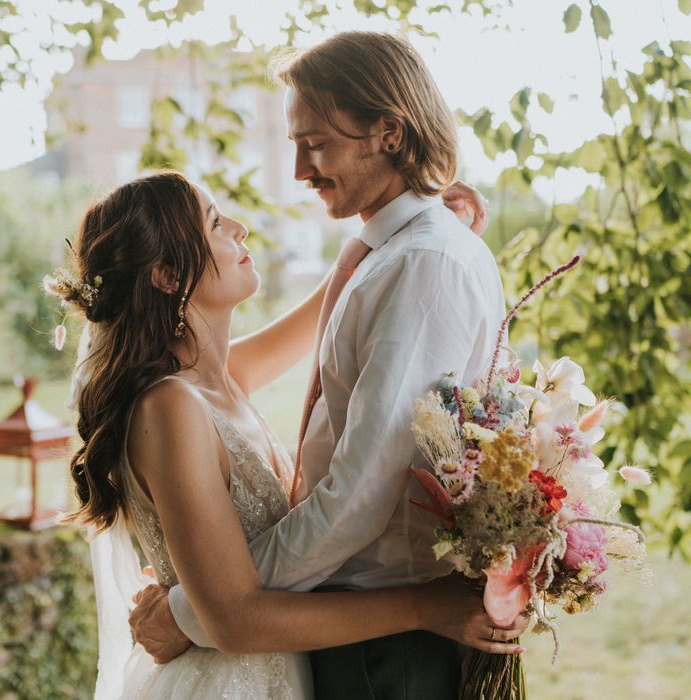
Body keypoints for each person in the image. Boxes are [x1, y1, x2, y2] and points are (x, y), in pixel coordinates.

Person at [127, 31, 524, 699]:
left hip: (384, 649)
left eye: (316, 144)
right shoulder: (393, 256)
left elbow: (359, 497)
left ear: (388, 133)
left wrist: (199, 611)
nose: (300, 172)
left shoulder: (423, 262)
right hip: (357, 634)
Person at [49, 170, 526, 699]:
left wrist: (413, 216)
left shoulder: (220, 380)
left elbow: (337, 299)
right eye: (214, 223)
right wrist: (423, 607)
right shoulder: (169, 407)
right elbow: (235, 619)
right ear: (166, 274)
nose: (240, 228)